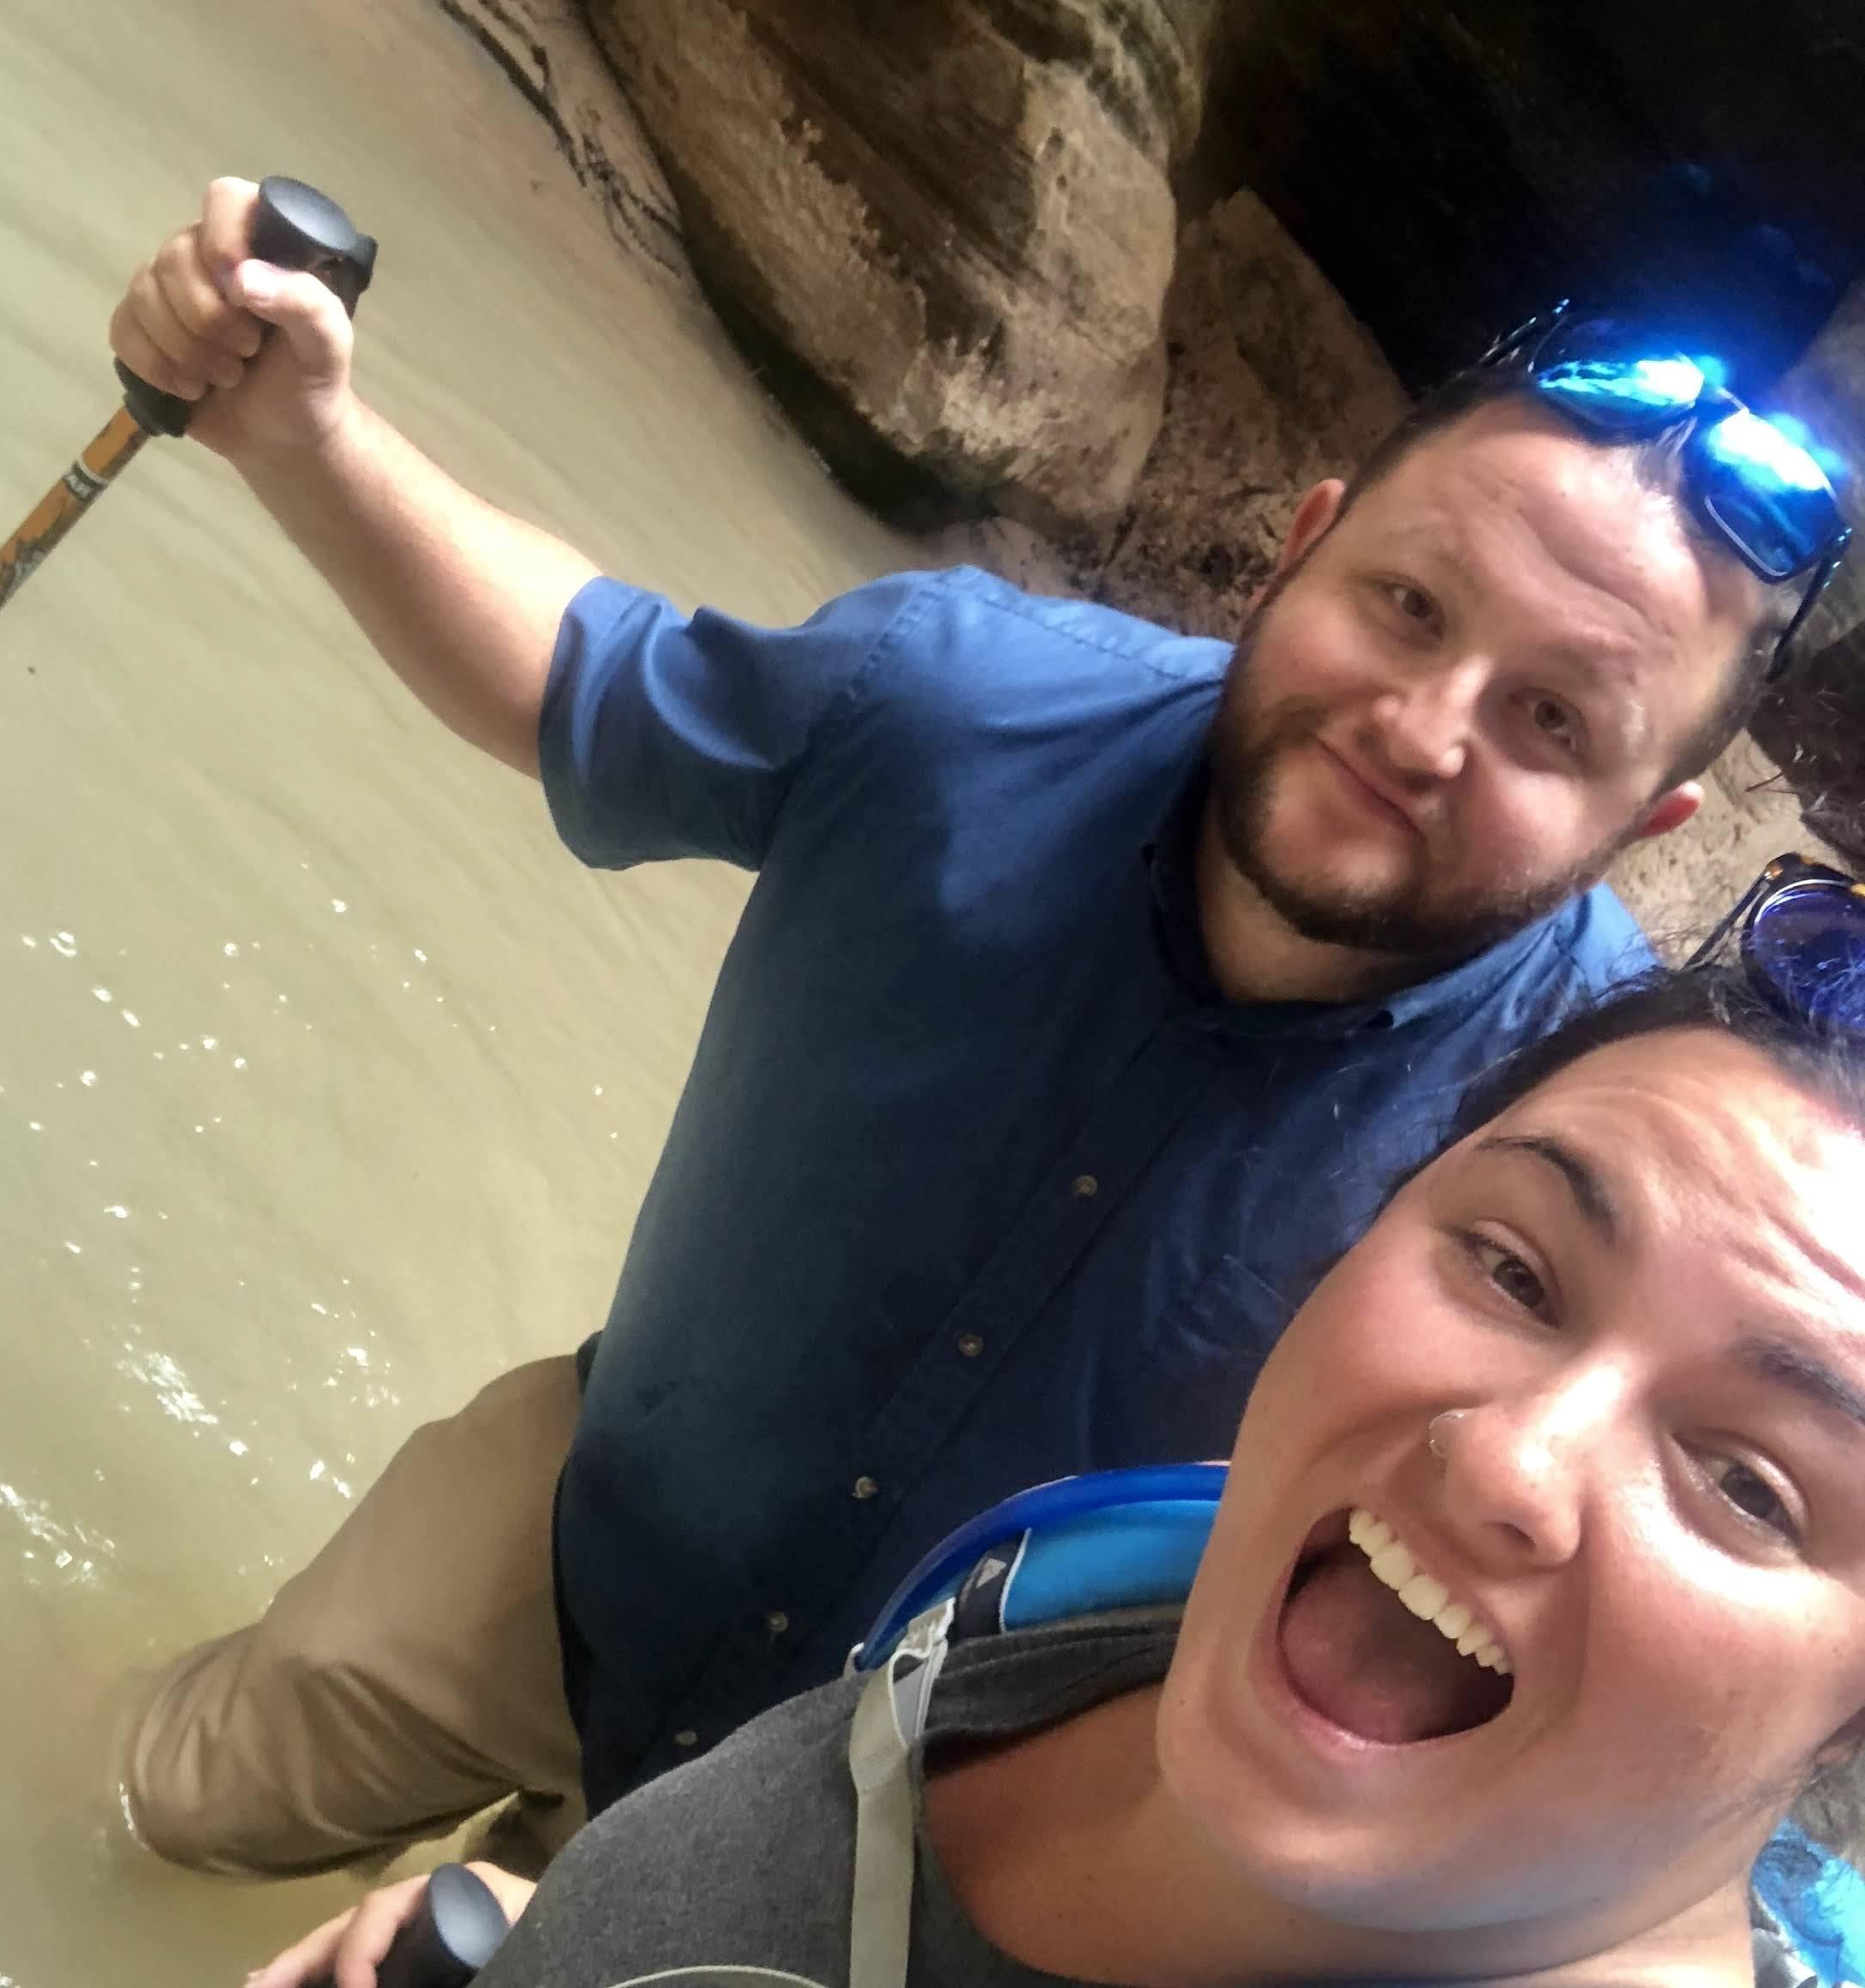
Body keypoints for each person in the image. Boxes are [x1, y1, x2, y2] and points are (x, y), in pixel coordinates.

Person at [109, 179, 1851, 1875]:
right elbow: (585, 677)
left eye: (1550, 718)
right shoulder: (961, 705)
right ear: (1295, 547)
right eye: (1407, 604)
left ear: (1650, 819)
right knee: (142, 1815)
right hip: (581, 1522)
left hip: (915, 1813)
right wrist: (304, 430)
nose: (1423, 723)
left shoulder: (1577, 1139)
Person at [251, 947, 1865, 1988]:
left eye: (1750, 1484)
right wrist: (579, 1927)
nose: (1511, 1460)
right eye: (1513, 1270)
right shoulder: (1131, 1573)